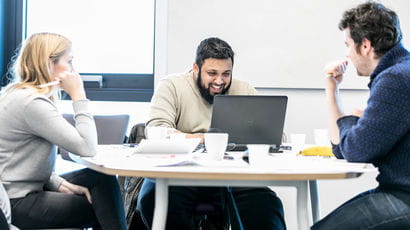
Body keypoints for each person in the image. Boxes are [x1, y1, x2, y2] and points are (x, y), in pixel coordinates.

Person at [137, 37, 286, 229]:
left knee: (267, 205)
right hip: (181, 176)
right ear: (196, 68)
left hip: (233, 176)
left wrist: (264, 137)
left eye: (226, 74)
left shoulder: (244, 90)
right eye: (212, 73)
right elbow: (156, 130)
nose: (219, 81)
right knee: (153, 199)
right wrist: (205, 140)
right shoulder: (172, 86)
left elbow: (276, 137)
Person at [0, 32, 127, 229]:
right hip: (18, 202)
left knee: (101, 179)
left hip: (21, 191)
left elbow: (18, 162)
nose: (74, 70)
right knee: (102, 206)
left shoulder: (17, 94)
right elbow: (87, 147)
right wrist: (79, 94)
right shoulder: (31, 103)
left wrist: (56, 183)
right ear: (49, 64)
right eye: (69, 62)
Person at [312, 2, 410, 229]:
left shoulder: (395, 79)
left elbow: (356, 150)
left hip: (404, 197)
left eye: (348, 45)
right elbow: (342, 148)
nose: (346, 53)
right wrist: (332, 90)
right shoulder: (400, 70)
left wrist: (354, 121)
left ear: (365, 46)